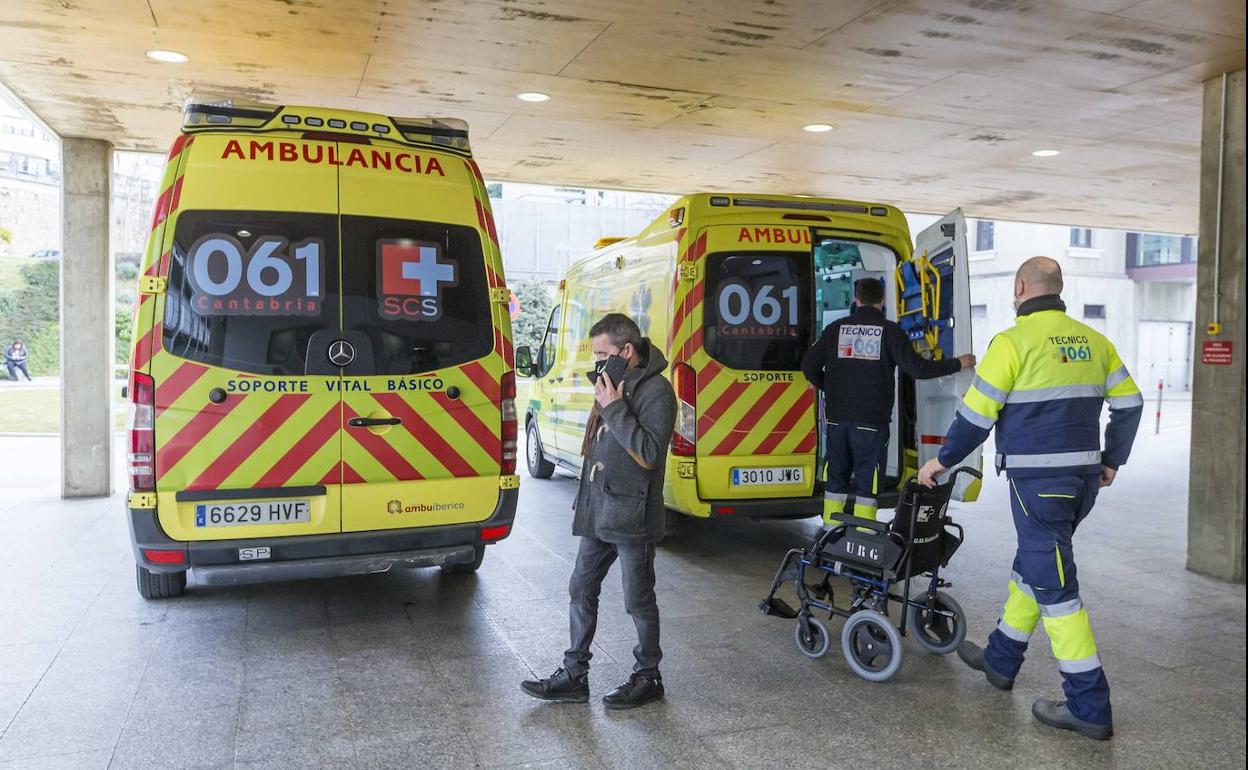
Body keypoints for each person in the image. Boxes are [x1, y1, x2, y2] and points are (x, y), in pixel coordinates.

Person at [918, 256, 1143, 741]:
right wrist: (1111, 459)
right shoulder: (1094, 341)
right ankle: (1001, 660)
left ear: (1020, 287)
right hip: (1081, 483)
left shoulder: (1012, 343)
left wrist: (941, 462)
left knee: (1058, 592)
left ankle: (1089, 706)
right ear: (1056, 288)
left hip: (1038, 484)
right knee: (1036, 565)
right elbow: (1130, 403)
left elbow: (976, 417)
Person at [521, 313, 677, 710]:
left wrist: (614, 408)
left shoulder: (657, 390)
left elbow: (650, 454)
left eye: (603, 354)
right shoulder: (612, 383)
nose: (597, 363)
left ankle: (648, 676)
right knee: (581, 587)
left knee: (637, 600)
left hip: (632, 514)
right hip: (599, 509)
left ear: (627, 351)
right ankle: (575, 674)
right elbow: (597, 445)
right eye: (594, 355)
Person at [801, 278, 974, 523]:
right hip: (871, 424)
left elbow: (808, 365)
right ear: (882, 301)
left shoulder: (836, 329)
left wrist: (829, 386)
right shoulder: (889, 331)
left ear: (856, 299)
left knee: (835, 478)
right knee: (866, 483)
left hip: (837, 421)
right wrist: (958, 363)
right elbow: (918, 369)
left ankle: (831, 533)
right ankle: (863, 534)